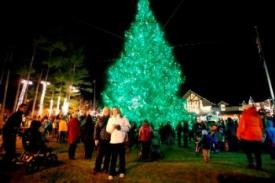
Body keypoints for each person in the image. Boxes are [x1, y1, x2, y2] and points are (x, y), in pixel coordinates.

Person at [106, 107, 130, 180]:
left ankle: (122, 171)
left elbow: (128, 128)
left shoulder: (123, 118)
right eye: (113, 110)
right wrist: (113, 127)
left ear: (118, 111)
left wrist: (121, 128)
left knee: (121, 157)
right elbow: (108, 130)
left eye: (115, 110)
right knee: (113, 158)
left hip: (121, 141)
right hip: (113, 141)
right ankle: (111, 173)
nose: (114, 112)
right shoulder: (110, 119)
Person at [237, 105, 264, 170]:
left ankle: (251, 163)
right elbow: (261, 126)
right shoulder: (257, 116)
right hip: (258, 136)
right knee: (257, 153)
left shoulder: (245, 115)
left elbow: (241, 127)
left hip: (248, 136)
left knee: (248, 151)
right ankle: (259, 166)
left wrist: (239, 135)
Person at [93, 107, 111, 174]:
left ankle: (105, 168)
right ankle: (97, 168)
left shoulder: (111, 119)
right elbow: (96, 129)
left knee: (107, 155)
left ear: (109, 112)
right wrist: (96, 138)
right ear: (103, 111)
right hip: (101, 139)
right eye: (105, 110)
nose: (106, 112)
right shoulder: (100, 119)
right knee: (99, 155)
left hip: (109, 140)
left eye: (107, 111)